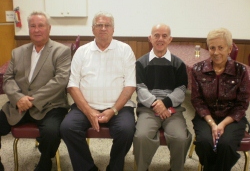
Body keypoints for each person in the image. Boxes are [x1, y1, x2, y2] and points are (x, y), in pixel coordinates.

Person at [60, 11, 136, 171]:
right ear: (93, 29)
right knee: (67, 128)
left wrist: (113, 110)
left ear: (113, 30)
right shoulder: (82, 52)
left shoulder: (125, 50)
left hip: (119, 108)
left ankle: (114, 167)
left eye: (107, 25)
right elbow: (72, 85)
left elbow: (130, 85)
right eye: (99, 25)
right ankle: (87, 168)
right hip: (85, 106)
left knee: (127, 130)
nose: (103, 28)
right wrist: (88, 111)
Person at [0, 11, 71, 171]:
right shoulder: (18, 52)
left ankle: (45, 161)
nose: (37, 30)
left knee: (52, 132)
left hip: (50, 106)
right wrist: (18, 98)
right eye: (33, 26)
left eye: (41, 26)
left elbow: (60, 81)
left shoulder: (61, 51)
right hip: (17, 105)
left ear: (49, 28)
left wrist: (29, 100)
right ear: (29, 29)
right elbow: (8, 78)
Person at [133, 23, 192, 171]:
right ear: (150, 38)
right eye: (156, 35)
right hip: (148, 109)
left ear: (170, 39)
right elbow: (140, 88)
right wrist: (156, 104)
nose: (160, 39)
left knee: (180, 138)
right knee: (141, 137)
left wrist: (165, 104)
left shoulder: (178, 64)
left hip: (172, 108)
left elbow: (181, 89)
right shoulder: (140, 63)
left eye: (164, 36)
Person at [191, 28, 250, 171]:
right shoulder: (198, 69)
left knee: (226, 144)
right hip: (206, 117)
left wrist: (222, 124)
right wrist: (212, 124)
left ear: (229, 49)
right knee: (204, 143)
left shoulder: (240, 71)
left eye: (221, 48)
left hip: (232, 117)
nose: (216, 52)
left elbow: (242, 104)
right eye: (212, 48)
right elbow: (197, 100)